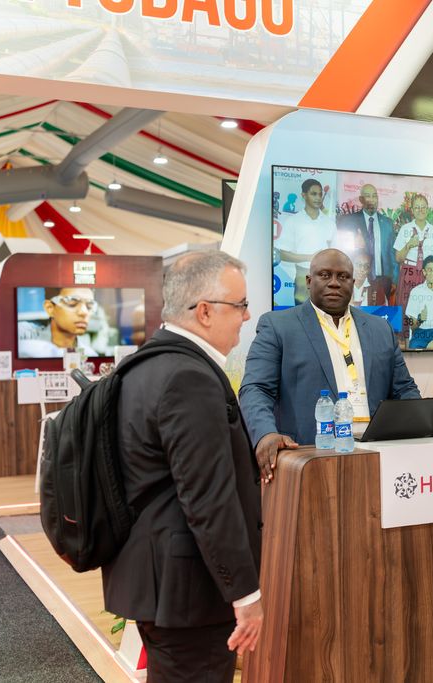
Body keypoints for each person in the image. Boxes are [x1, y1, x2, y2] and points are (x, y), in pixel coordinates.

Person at [102, 251, 262, 682]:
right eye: (241, 305)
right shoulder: (189, 377)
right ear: (204, 311)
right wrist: (245, 594)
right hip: (190, 591)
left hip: (161, 581)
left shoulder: (146, 364)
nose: (247, 316)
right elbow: (209, 498)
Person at [240, 248, 421, 483]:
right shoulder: (278, 326)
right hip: (309, 459)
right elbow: (255, 388)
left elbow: (404, 388)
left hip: (378, 456)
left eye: (343, 276)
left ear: (353, 283)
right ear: (309, 281)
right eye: (325, 275)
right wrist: (265, 434)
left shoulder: (380, 328)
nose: (334, 283)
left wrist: (420, 424)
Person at [275, 178, 337, 304]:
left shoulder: (329, 223)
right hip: (303, 278)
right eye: (313, 194)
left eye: (320, 194)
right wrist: (310, 257)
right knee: (302, 314)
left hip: (327, 279)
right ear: (303, 195)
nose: (318, 198)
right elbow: (282, 254)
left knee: (327, 314)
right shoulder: (293, 221)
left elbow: (337, 253)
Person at [337, 183, 396, 300]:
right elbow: (343, 252)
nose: (372, 200)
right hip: (357, 280)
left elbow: (392, 254)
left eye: (374, 196)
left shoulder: (387, 223)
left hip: (383, 280)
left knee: (381, 310)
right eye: (368, 196)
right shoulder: (349, 221)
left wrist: (394, 279)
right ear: (361, 199)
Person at [393, 194, 433, 328]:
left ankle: (422, 334)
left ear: (427, 209)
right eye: (417, 207)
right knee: (406, 304)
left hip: (427, 273)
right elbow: (398, 258)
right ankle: (405, 336)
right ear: (412, 210)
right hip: (409, 272)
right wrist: (408, 245)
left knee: (425, 306)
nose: (420, 210)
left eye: (423, 207)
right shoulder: (405, 229)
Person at [18, 287, 99, 358]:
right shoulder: (23, 334)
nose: (84, 312)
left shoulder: (90, 355)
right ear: (50, 308)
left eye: (89, 306)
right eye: (72, 302)